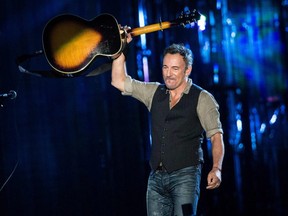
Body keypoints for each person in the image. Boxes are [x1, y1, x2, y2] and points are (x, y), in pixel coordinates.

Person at [111, 31, 225, 216]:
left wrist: (217, 168)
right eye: (165, 67)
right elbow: (118, 81)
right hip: (156, 178)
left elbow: (216, 136)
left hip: (185, 177)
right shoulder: (155, 92)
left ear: (187, 70)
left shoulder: (202, 98)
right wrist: (120, 48)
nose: (169, 74)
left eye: (175, 68)